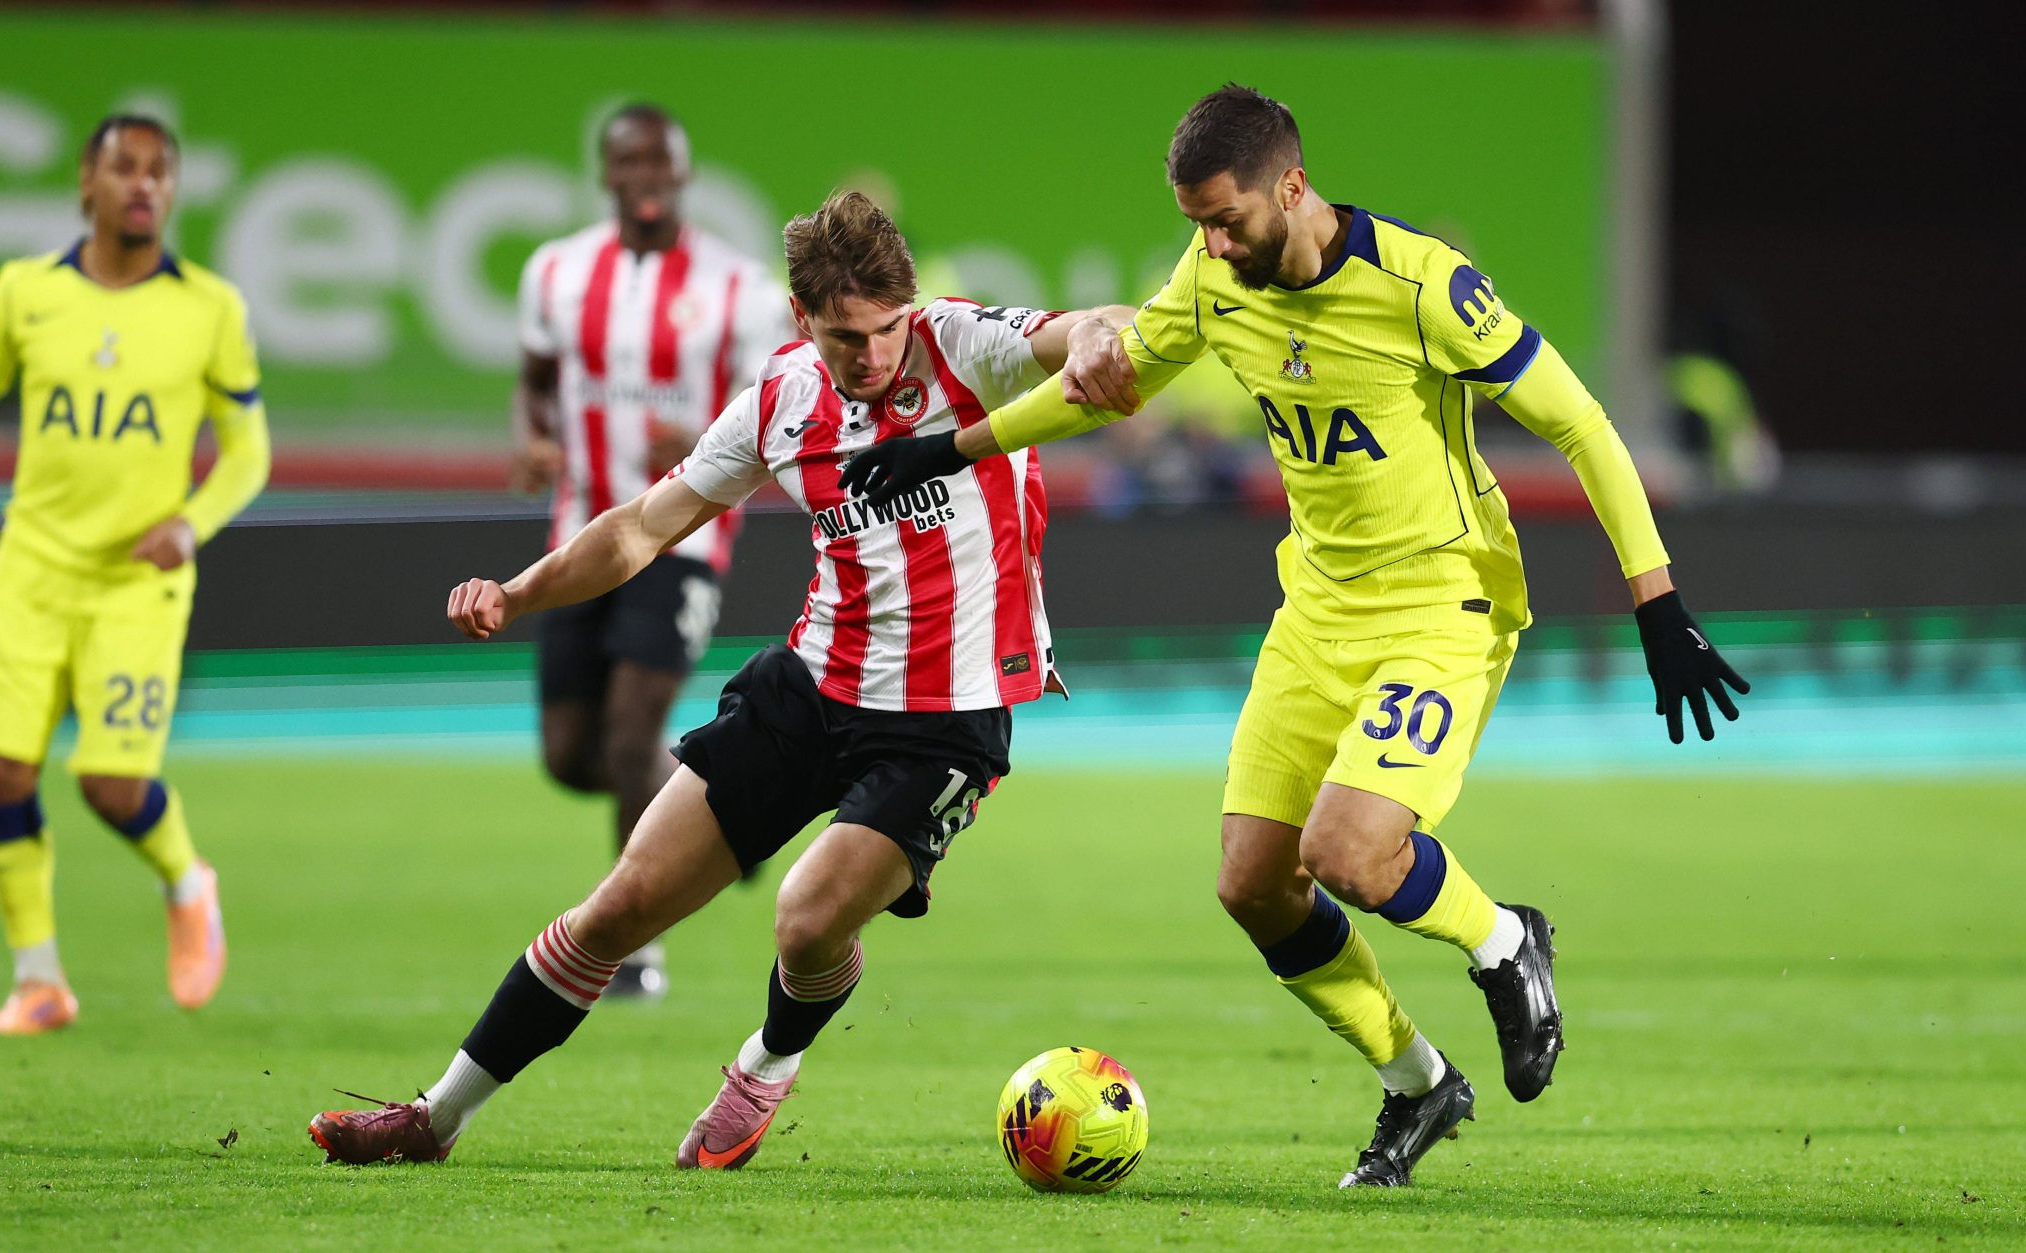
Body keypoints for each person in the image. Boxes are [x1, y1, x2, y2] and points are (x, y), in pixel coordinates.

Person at [841, 85, 1751, 1189]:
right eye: (1195, 227)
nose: (1211, 246)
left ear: (1292, 187)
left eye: (1227, 221)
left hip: (1439, 602)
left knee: (1350, 854)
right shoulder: (1212, 277)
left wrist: (1654, 601)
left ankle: (1505, 940)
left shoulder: (1423, 286)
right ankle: (1418, 1081)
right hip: (1314, 609)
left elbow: (1579, 421)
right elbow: (1109, 387)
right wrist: (951, 448)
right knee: (1252, 883)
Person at [308, 190, 1138, 1167]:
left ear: (909, 313)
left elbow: (1098, 325)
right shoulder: (784, 399)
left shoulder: (962, 346)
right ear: (801, 323)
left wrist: (1097, 339)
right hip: (808, 688)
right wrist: (518, 591)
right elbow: (639, 527)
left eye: (881, 333)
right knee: (617, 906)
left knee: (806, 917)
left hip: (943, 719)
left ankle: (765, 1062)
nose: (867, 358)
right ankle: (433, 1116)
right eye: (842, 338)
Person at [0, 115, 270, 1035]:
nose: (143, 184)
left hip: (136, 583)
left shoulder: (210, 307)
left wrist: (192, 523)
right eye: (124, 168)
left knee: (108, 784)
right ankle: (39, 981)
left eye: (159, 172)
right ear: (86, 184)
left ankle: (188, 881)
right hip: (29, 567)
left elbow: (249, 449)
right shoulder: (24, 293)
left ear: (173, 192)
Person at [510, 102, 791, 998]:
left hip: (678, 536)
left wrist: (706, 434)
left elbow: (775, 398)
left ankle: (635, 950)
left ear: (682, 173)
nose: (645, 177)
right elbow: (536, 380)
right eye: (629, 162)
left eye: (660, 163)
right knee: (567, 753)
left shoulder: (736, 284)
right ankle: (722, 814)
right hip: (579, 530)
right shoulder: (555, 272)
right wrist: (534, 439)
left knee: (632, 738)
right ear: (607, 172)